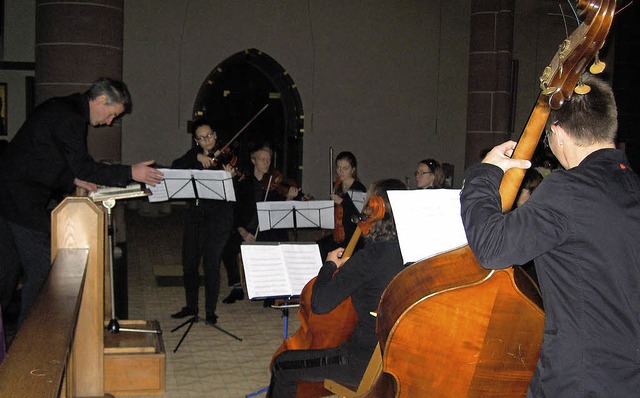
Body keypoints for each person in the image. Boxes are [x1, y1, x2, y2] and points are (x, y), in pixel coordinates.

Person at [460, 73, 640, 396]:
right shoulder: (632, 187)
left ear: (556, 133)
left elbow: (491, 245)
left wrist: (484, 173)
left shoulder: (570, 190)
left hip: (579, 383)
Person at [0, 77, 163, 329]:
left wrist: (75, 179)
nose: (109, 122)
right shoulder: (70, 116)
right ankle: (30, 338)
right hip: (19, 196)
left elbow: (45, 157)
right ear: (99, 100)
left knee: (7, 271)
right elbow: (84, 165)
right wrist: (132, 172)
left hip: (10, 191)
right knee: (43, 265)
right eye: (111, 114)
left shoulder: (65, 108)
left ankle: (16, 339)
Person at [268, 178, 408, 397]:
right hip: (401, 360)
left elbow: (320, 303)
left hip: (362, 362)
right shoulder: (416, 253)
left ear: (375, 209)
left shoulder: (371, 257)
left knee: (282, 364)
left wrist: (329, 265)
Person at [169, 118, 235, 325]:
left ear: (215, 135)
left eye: (210, 135)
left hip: (220, 217)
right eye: (202, 138)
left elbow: (240, 186)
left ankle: (210, 311)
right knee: (189, 262)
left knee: (211, 264)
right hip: (197, 214)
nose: (207, 140)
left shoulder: (229, 157)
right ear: (197, 141)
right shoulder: (193, 155)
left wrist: (229, 177)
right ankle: (191, 307)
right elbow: (175, 167)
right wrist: (196, 157)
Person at [221, 146, 299, 305]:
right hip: (246, 228)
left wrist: (289, 199)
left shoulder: (276, 185)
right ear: (253, 160)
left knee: (277, 239)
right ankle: (237, 287)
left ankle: (271, 290)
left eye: (268, 160)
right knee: (225, 243)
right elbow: (234, 210)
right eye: (262, 159)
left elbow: (280, 214)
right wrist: (243, 232)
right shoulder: (243, 183)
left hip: (267, 228)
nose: (266, 162)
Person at [317, 151, 367, 259]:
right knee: (318, 247)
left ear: (353, 169)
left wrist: (342, 202)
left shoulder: (359, 188)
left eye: (345, 168)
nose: (341, 172)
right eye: (339, 168)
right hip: (338, 234)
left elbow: (360, 214)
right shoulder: (337, 187)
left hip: (353, 235)